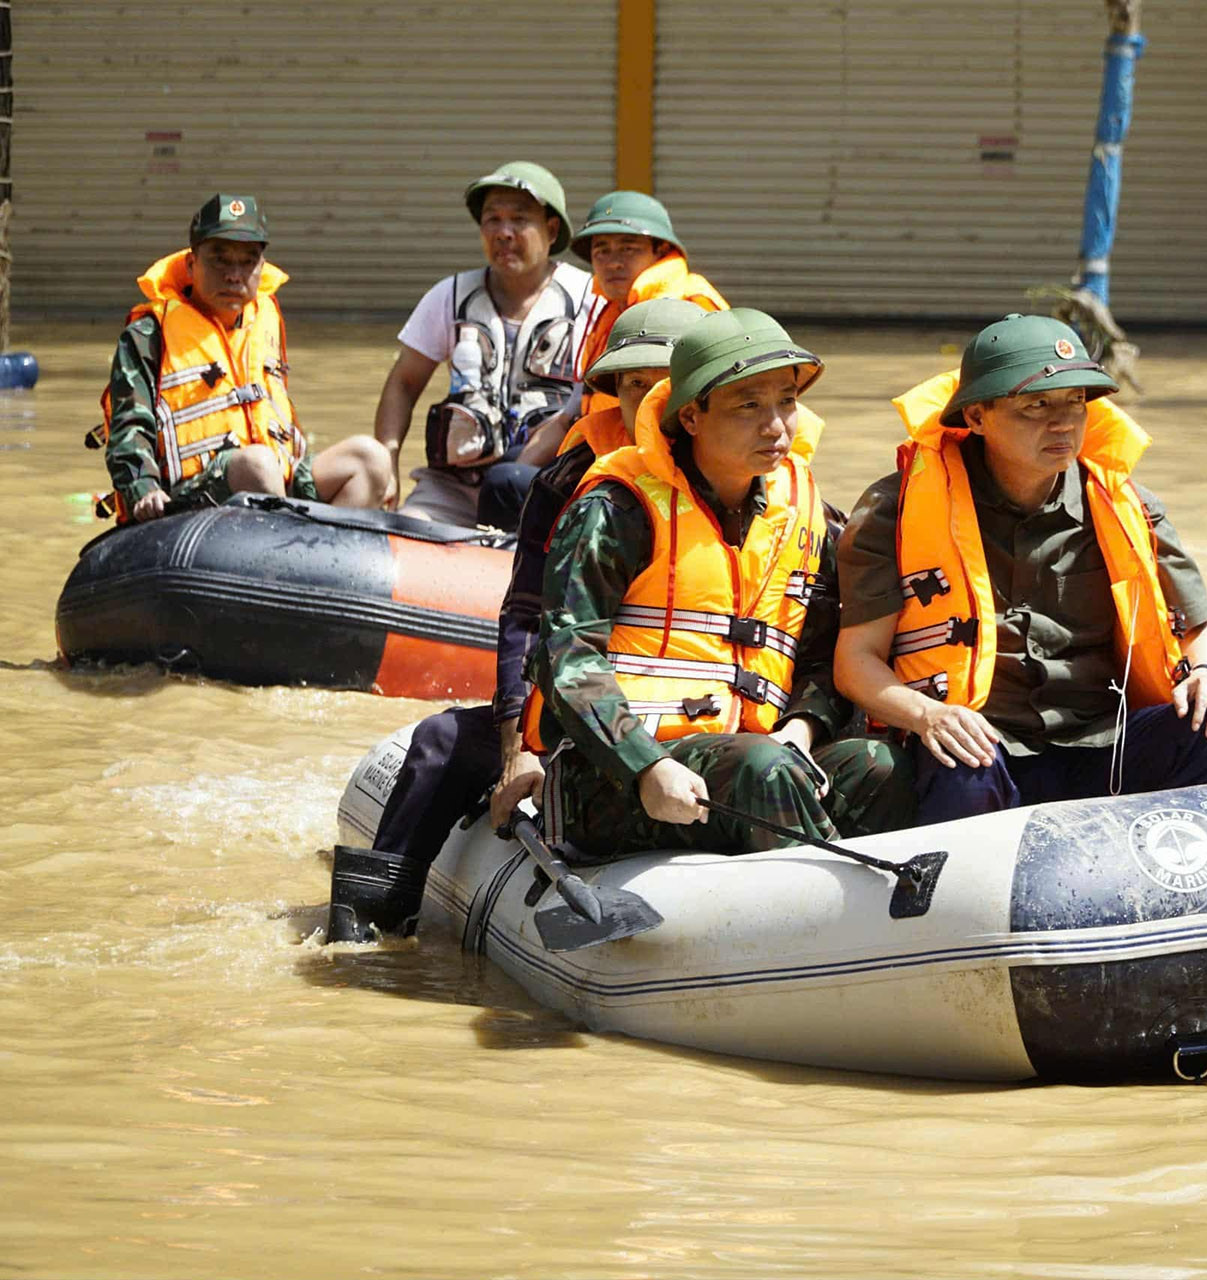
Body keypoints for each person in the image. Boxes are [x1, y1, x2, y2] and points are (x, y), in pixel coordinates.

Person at [335, 299, 714, 939]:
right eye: (632, 385)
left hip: (701, 714)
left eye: (663, 386)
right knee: (440, 745)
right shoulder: (570, 480)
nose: (646, 402)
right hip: (585, 709)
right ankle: (367, 929)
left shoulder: (750, 480)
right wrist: (518, 748)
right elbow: (526, 618)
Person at [834, 313, 1207, 824]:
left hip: (1105, 743)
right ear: (976, 418)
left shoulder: (1130, 509)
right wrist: (931, 716)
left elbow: (1200, 632)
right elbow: (856, 661)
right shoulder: (894, 511)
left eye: (1075, 402)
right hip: (984, 744)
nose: (1062, 423)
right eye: (1035, 406)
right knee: (962, 767)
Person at [530, 308, 912, 861]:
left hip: (763, 754)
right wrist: (646, 765)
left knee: (878, 768)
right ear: (691, 417)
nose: (776, 425)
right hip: (616, 773)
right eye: (749, 406)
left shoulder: (808, 518)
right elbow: (567, 657)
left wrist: (804, 727)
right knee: (763, 769)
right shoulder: (615, 510)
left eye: (786, 401)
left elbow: (823, 655)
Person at [91, 194, 391, 523]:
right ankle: (287, 550)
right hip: (190, 494)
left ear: (261, 268)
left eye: (247, 261)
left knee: (370, 458)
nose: (234, 275)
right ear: (192, 264)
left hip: (274, 480)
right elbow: (128, 427)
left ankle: (321, 561)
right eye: (220, 260)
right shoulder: (149, 335)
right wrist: (143, 488)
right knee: (257, 465)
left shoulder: (266, 321)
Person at [373, 162, 592, 528]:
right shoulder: (450, 296)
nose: (504, 233)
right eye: (492, 220)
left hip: (542, 486)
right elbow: (403, 383)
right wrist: (388, 463)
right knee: (408, 533)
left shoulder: (590, 299)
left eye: (519, 220)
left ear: (551, 230)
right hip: (453, 488)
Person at [567, 190, 726, 419]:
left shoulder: (692, 303)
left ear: (660, 250)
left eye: (628, 249)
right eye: (601, 251)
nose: (612, 263)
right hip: (607, 444)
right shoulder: (610, 310)